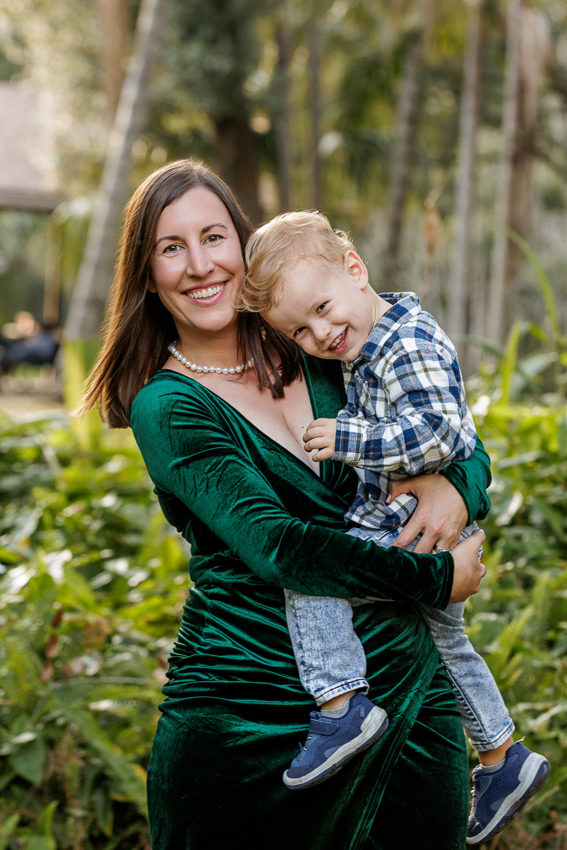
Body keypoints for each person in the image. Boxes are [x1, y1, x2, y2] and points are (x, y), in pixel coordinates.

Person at [79, 159, 489, 850]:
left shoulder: (322, 343)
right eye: (170, 248)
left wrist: (456, 487)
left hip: (409, 702)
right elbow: (279, 547)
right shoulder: (169, 405)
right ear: (148, 275)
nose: (200, 265)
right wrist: (438, 578)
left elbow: (455, 435)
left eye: (214, 237)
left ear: (245, 247)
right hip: (253, 720)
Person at [241, 211, 550, 842]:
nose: (321, 333)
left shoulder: (404, 343)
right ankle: (500, 754)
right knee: (447, 645)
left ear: (355, 269)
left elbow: (443, 433)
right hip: (417, 524)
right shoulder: (370, 341)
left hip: (403, 526)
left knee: (314, 578)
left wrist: (349, 437)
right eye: (300, 330)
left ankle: (341, 704)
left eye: (324, 309)